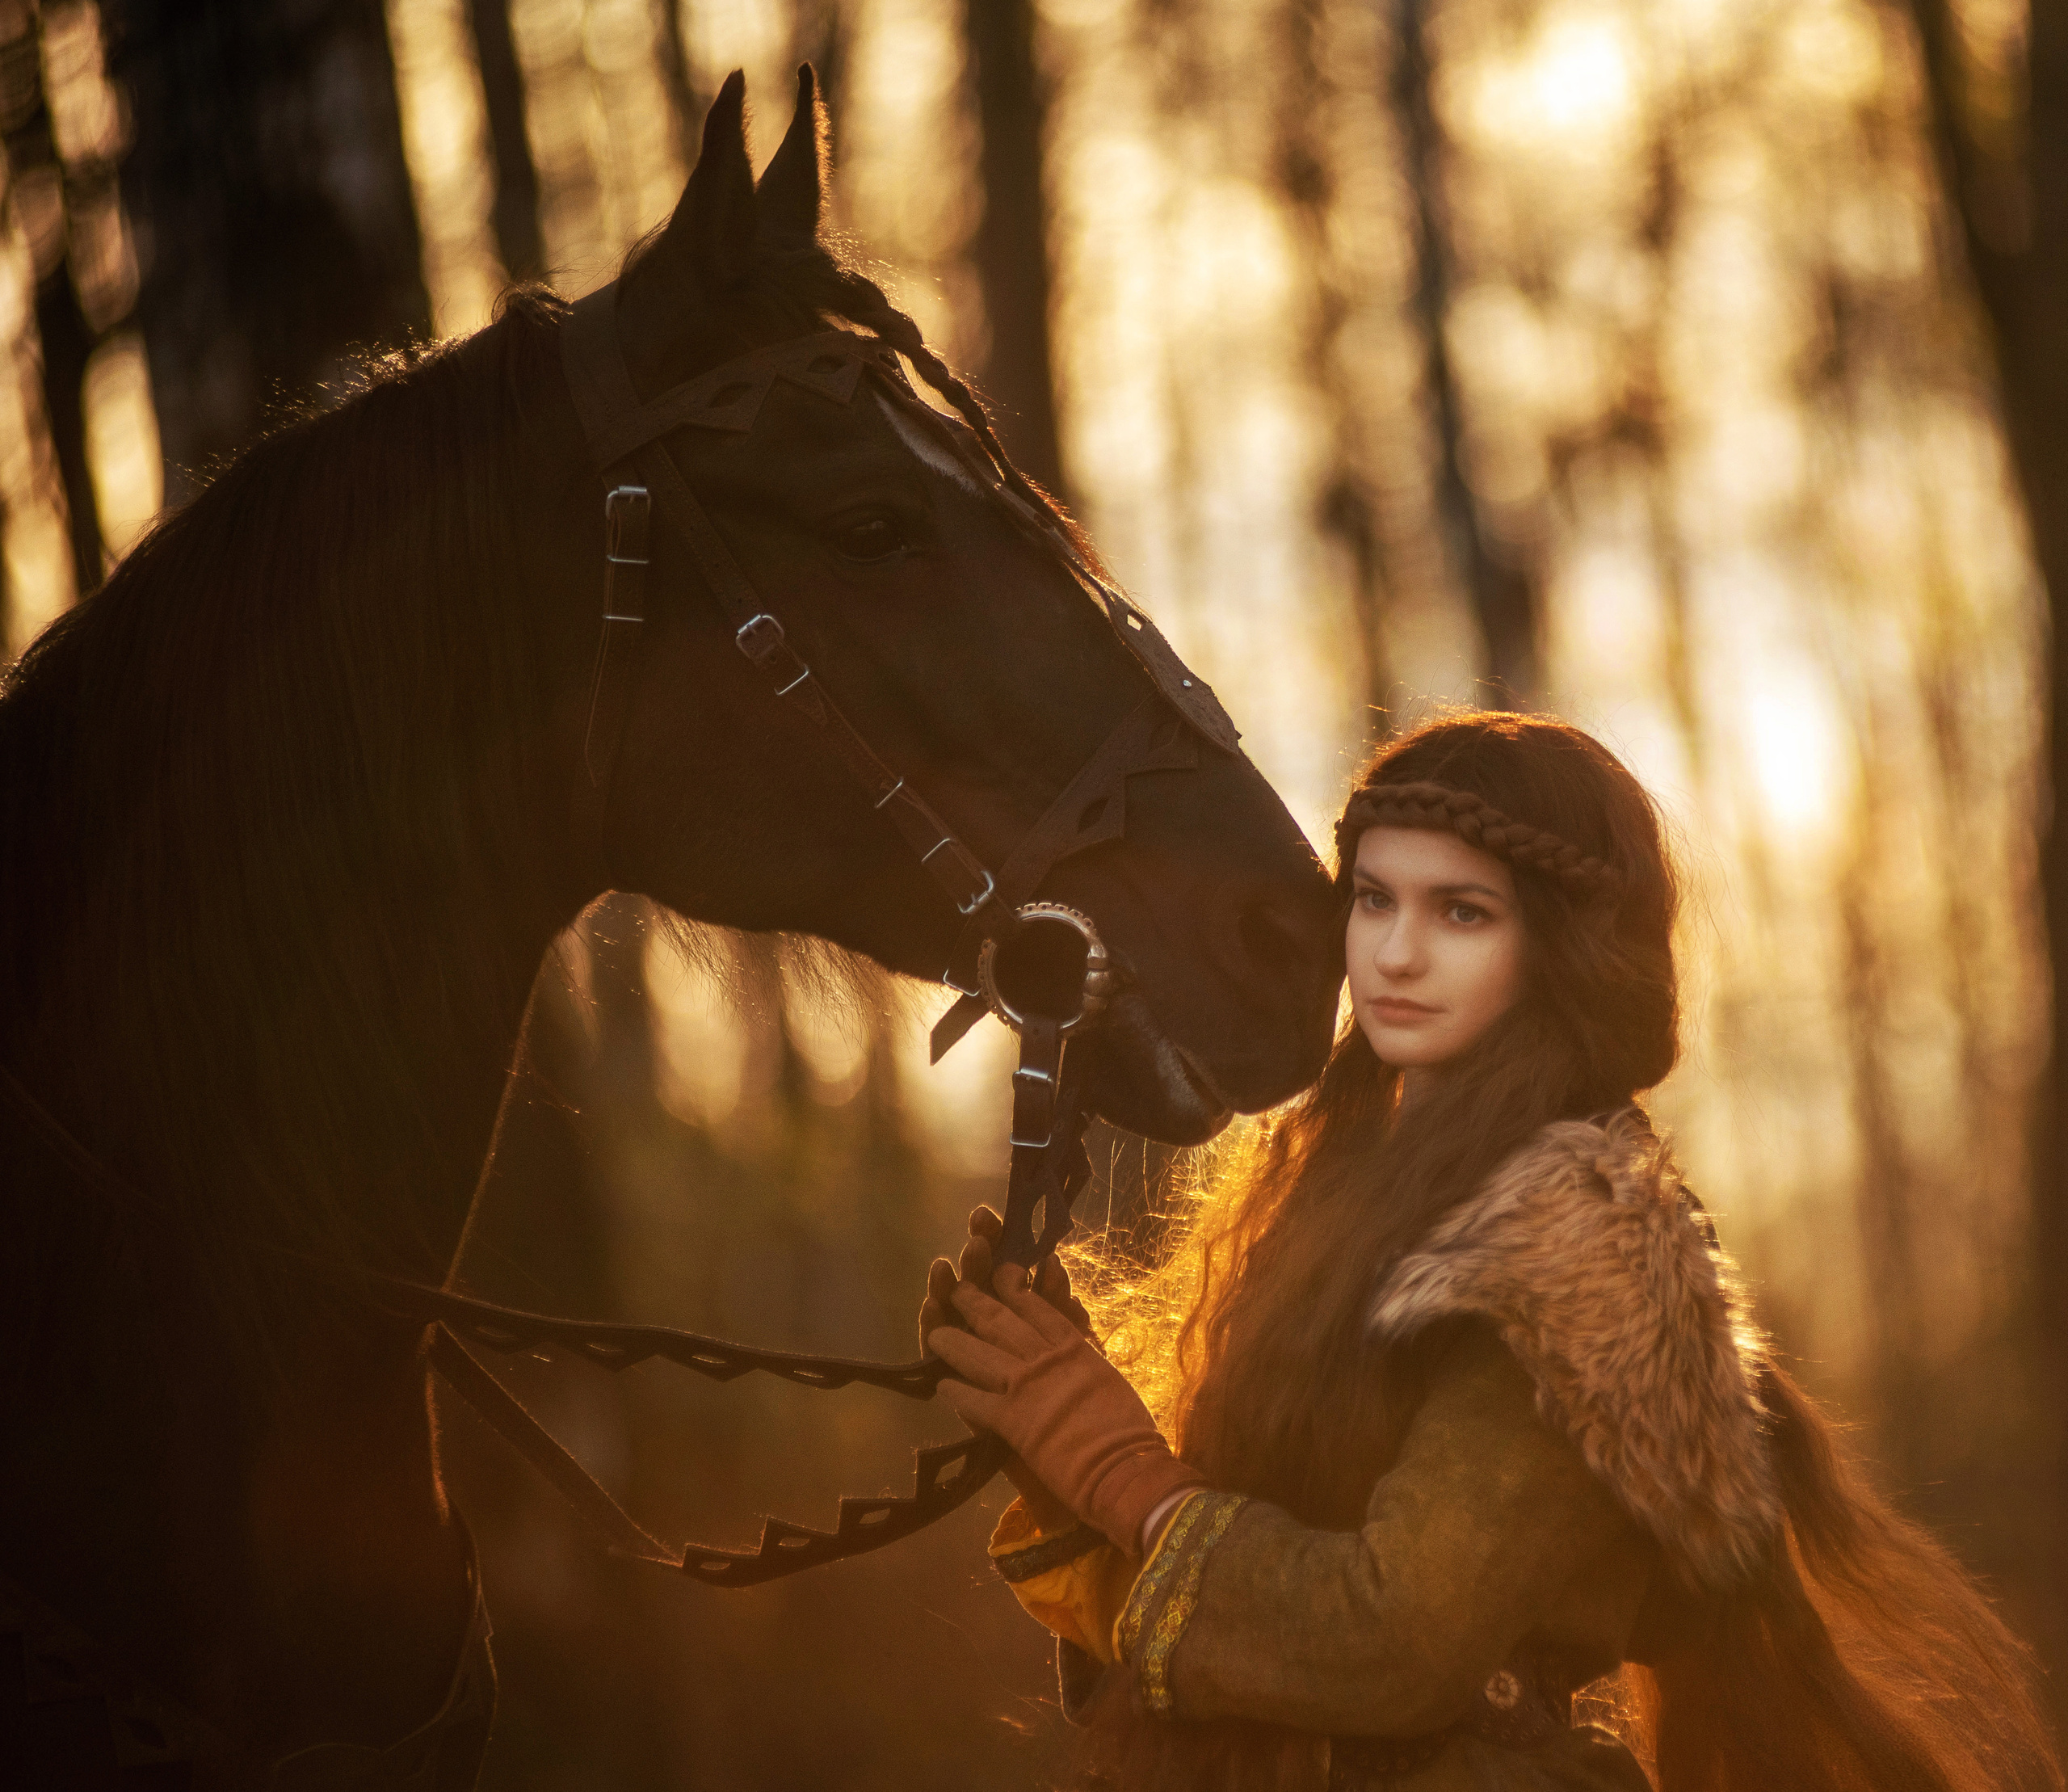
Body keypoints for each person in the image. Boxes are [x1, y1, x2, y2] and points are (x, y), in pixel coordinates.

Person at [920, 710, 2062, 1792]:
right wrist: (1056, 1447)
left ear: (1561, 946)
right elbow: (1231, 1630)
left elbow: (1390, 1641)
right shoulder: (1343, 1189)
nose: (1398, 953)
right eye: (1373, 900)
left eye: (1462, 912)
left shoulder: (1581, 1245)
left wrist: (1122, 1471)